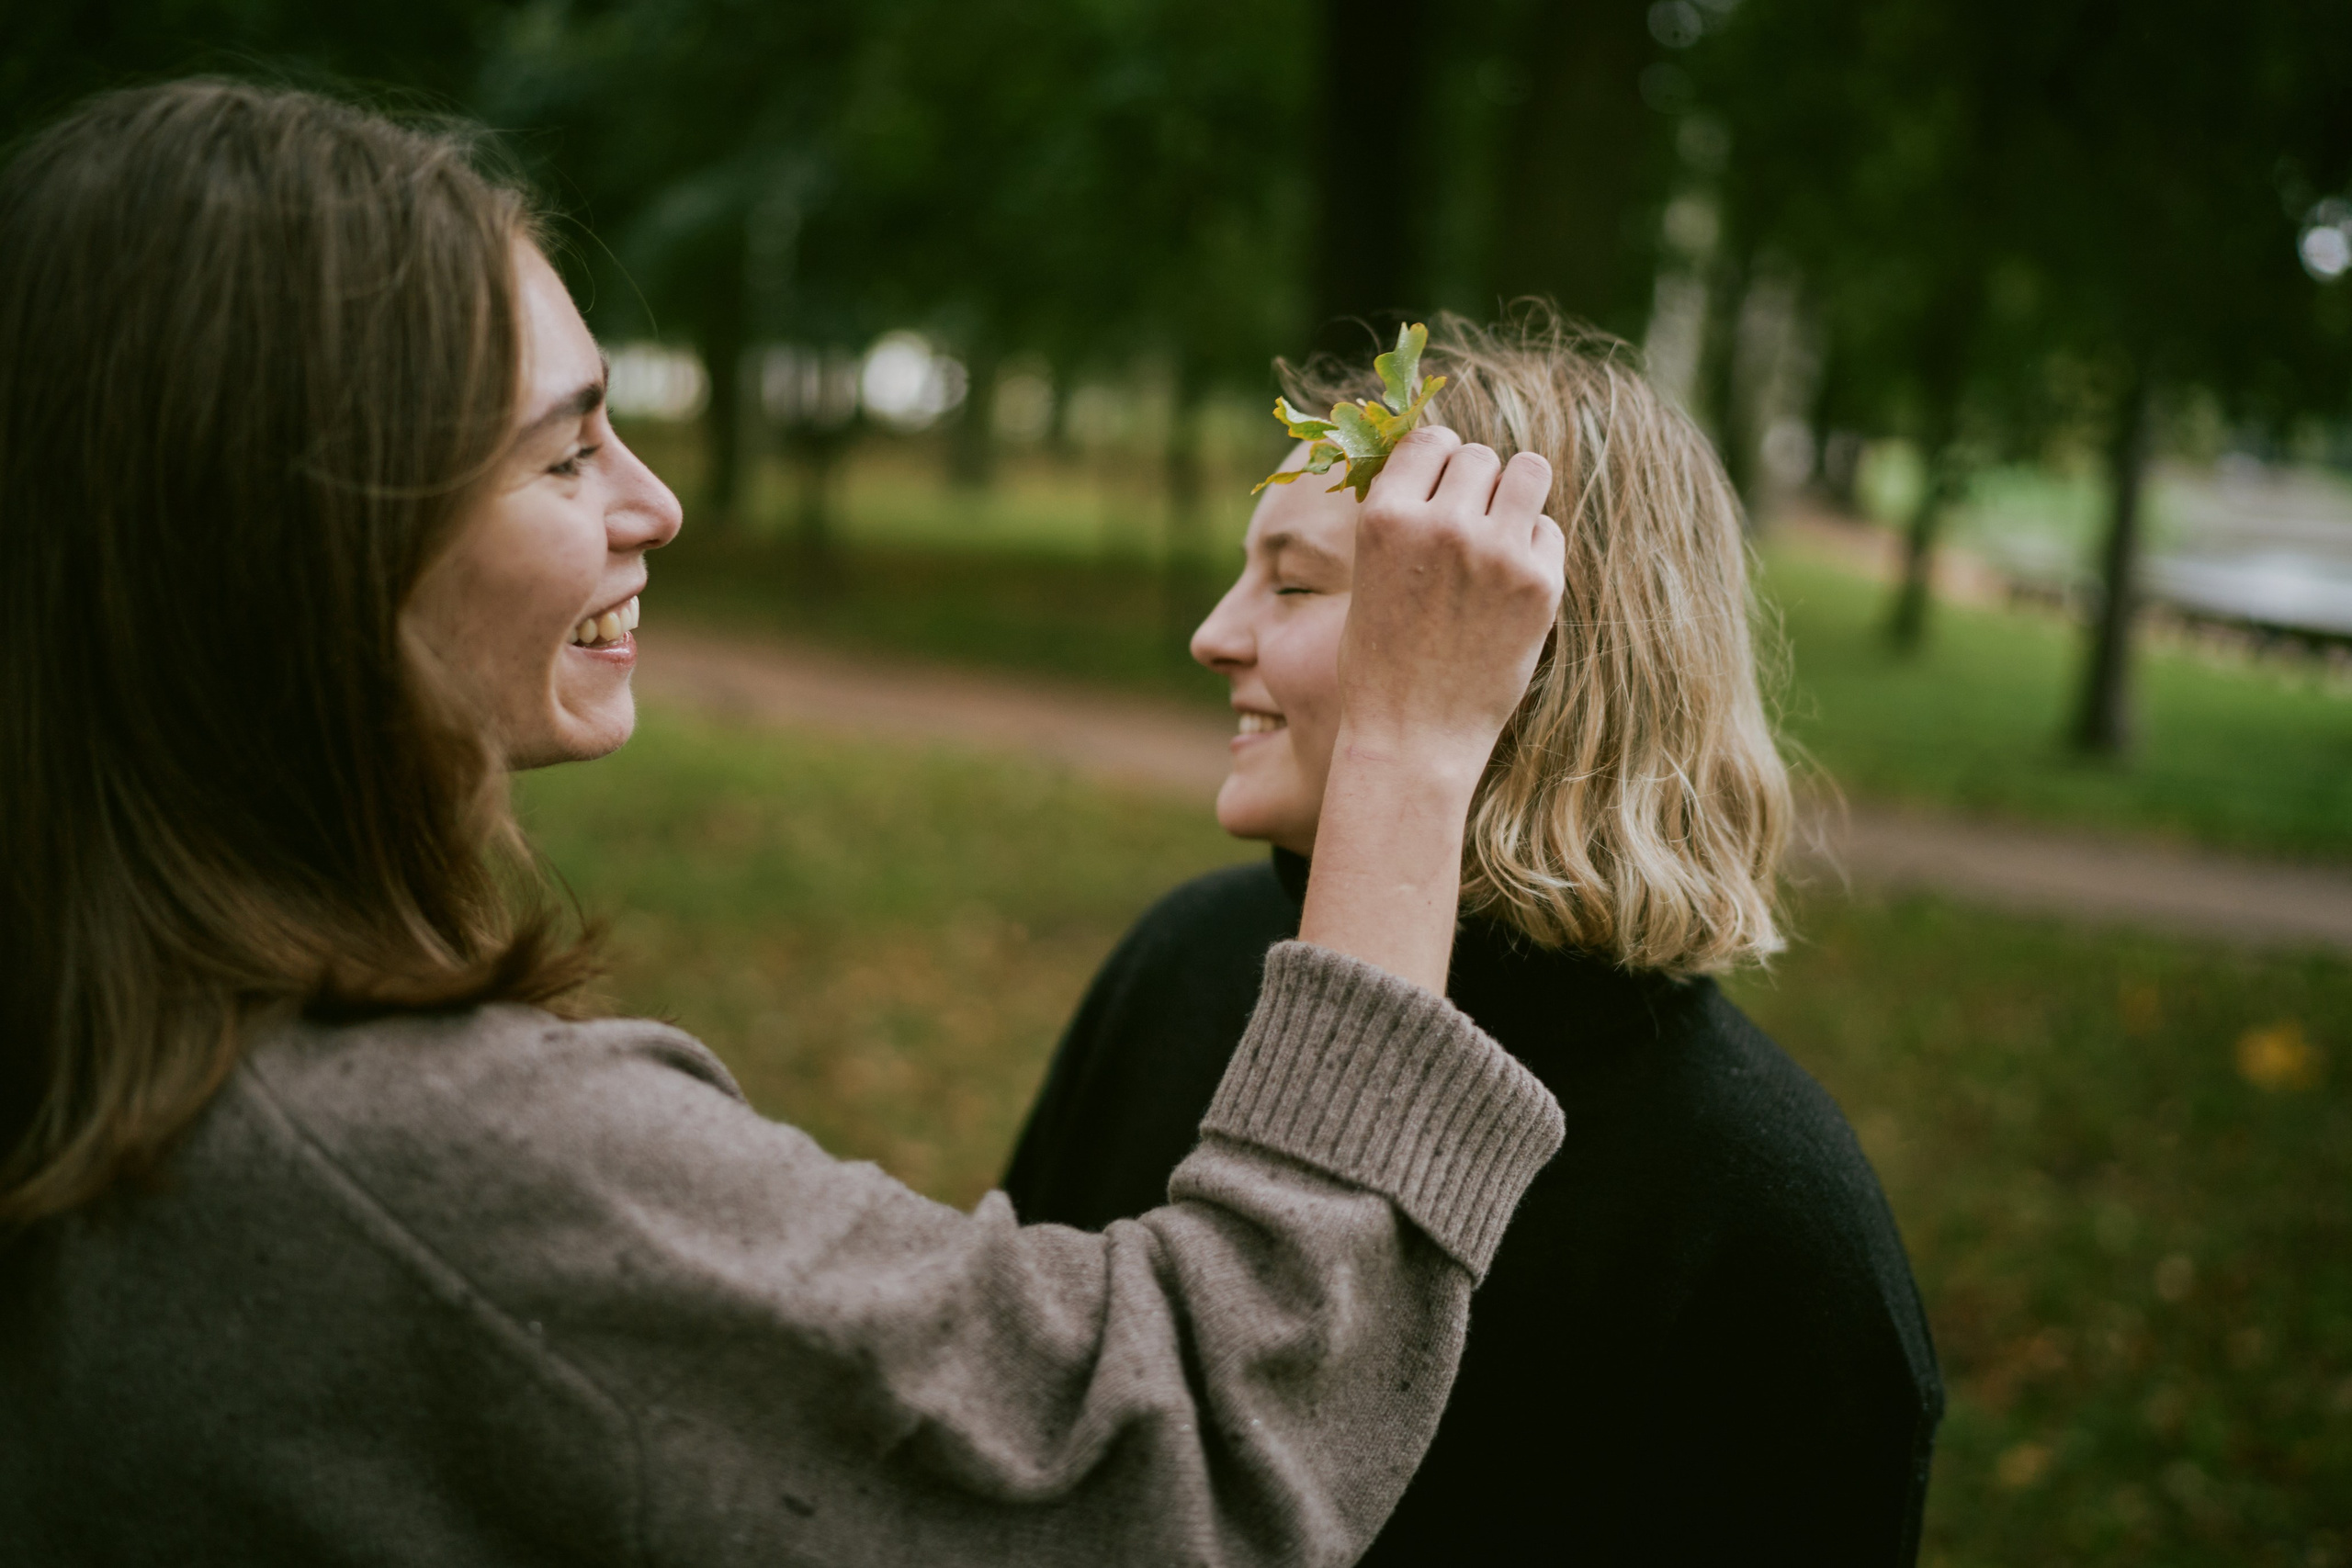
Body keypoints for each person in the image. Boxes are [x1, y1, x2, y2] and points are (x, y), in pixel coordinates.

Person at [0, 84, 1575, 1565]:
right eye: (562, 451)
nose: (656, 503)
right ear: (314, 549)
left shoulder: (110, 1034)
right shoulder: (429, 1172)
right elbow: (1181, 1458)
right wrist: (1409, 756)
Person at [1005, 312, 1947, 1566]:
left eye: (1293, 584)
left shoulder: (1772, 1225)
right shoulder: (1180, 967)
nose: (1213, 634)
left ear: (1516, 649)